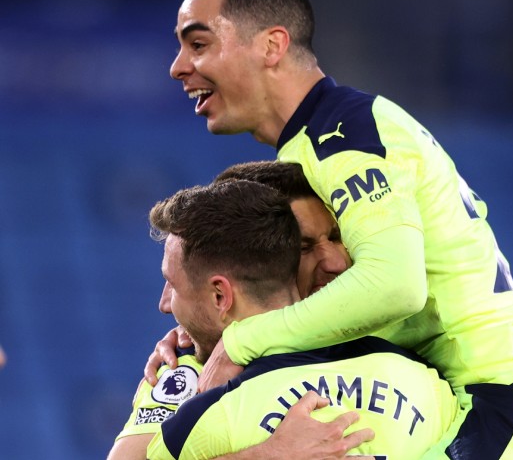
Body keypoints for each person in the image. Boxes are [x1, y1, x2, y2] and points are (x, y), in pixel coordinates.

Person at [169, 0, 513, 458]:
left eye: (198, 44)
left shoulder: (345, 136)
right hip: (494, 403)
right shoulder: (318, 143)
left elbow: (394, 284)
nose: (178, 67)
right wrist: (200, 335)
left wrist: (242, 341)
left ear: (272, 46)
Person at [146, 160, 513, 460]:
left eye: (338, 237)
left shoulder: (420, 358)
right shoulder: (185, 375)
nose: (336, 262)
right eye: (305, 247)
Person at [142, 179, 459, 459]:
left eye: (173, 284)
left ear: (220, 296)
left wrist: (266, 456)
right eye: (307, 246)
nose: (164, 304)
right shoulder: (431, 386)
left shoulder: (205, 419)